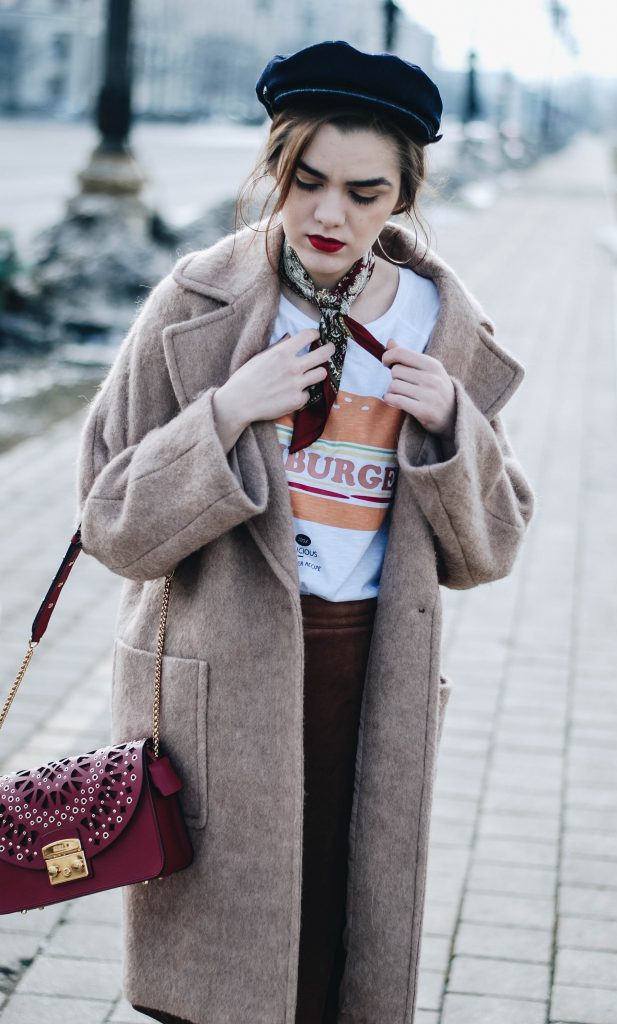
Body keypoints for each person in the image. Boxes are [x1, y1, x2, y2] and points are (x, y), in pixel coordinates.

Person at [76, 38, 535, 1024]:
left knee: (338, 956)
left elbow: (491, 547)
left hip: (366, 675)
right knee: (220, 979)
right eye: (306, 179)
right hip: (218, 683)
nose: (331, 214)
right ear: (275, 168)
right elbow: (111, 518)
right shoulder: (195, 304)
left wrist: (454, 425)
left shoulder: (438, 323)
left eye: (365, 192)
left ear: (403, 195)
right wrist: (225, 416)